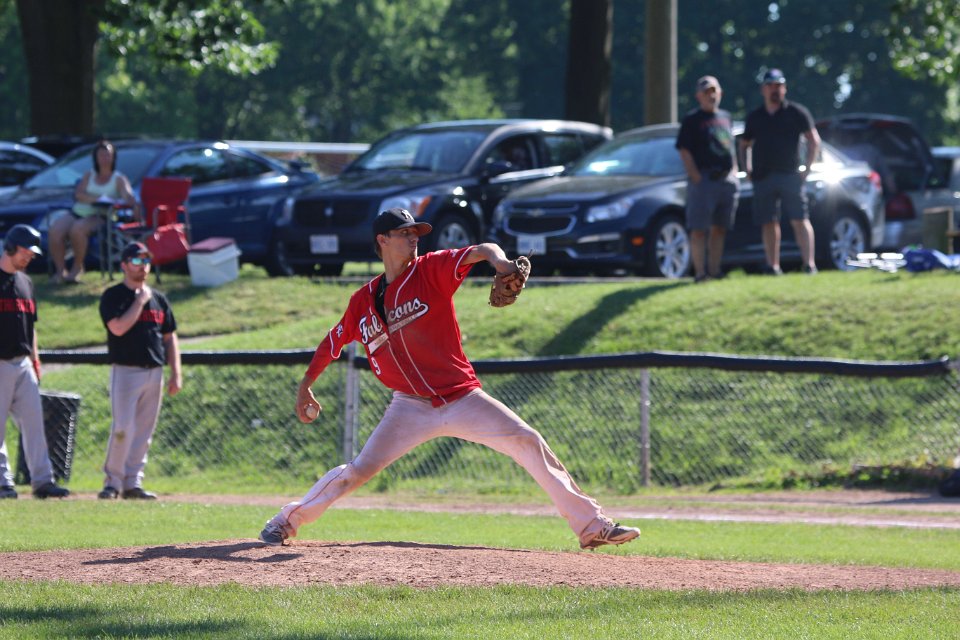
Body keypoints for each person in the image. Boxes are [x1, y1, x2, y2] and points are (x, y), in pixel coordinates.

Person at [257, 207, 640, 550]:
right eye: (405, 233)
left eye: (416, 233)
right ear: (382, 240)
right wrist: (306, 385)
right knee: (357, 471)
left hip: (462, 398)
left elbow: (482, 249)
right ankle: (285, 521)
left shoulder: (430, 270)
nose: (413, 239)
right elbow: (333, 341)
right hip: (408, 407)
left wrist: (502, 263)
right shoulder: (363, 300)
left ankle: (592, 526)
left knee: (527, 440)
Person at [97, 242, 181, 500]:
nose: (142, 266)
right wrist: (140, 301)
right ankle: (112, 483)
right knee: (123, 428)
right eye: (136, 261)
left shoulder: (159, 299)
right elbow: (118, 328)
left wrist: (176, 372)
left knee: (144, 432)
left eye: (146, 261)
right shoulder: (114, 296)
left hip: (154, 371)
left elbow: (169, 337)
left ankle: (133, 482)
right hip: (125, 371)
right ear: (124, 265)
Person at [0, 224, 71, 499]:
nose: (30, 256)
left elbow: (32, 327)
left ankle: (42, 482)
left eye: (32, 253)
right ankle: (3, 483)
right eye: (26, 251)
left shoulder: (26, 282)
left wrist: (36, 361)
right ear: (10, 247)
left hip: (23, 364)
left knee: (34, 424)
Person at [739, 68, 821, 275]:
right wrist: (746, 169)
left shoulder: (796, 112)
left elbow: (813, 140)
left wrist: (807, 168)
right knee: (768, 222)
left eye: (778, 86)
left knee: (799, 219)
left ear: (784, 88)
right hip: (763, 177)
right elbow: (744, 144)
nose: (775, 90)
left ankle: (809, 264)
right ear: (763, 89)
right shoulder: (756, 116)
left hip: (790, 175)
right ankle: (773, 266)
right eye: (771, 86)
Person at [675, 75, 740, 282]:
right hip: (704, 180)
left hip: (726, 180)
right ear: (698, 96)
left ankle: (715, 270)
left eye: (714, 91)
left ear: (720, 93)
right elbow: (684, 149)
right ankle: (700, 273)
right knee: (699, 229)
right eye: (706, 92)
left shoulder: (726, 117)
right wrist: (695, 175)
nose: (711, 95)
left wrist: (734, 171)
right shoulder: (692, 120)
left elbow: (730, 146)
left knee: (720, 228)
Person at [49, 140, 140, 284]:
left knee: (77, 230)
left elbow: (128, 197)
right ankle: (60, 271)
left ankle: (77, 268)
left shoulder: (119, 179)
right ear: (96, 158)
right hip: (78, 212)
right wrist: (96, 198)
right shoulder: (89, 175)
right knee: (56, 230)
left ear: (113, 157)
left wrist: (131, 202)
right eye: (101, 155)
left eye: (107, 155)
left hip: (102, 216)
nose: (104, 158)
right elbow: (78, 195)